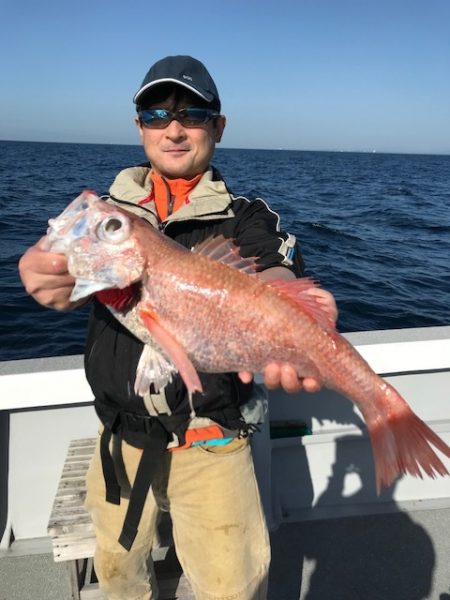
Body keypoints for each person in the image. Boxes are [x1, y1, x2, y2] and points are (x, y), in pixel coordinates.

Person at [19, 55, 337, 600]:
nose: (173, 127)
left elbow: (274, 261)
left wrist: (282, 302)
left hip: (212, 439)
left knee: (231, 587)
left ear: (218, 126)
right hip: (120, 439)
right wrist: (42, 272)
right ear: (138, 125)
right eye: (154, 112)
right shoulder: (108, 217)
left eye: (192, 113)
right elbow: (57, 264)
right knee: (119, 577)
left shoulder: (246, 216)